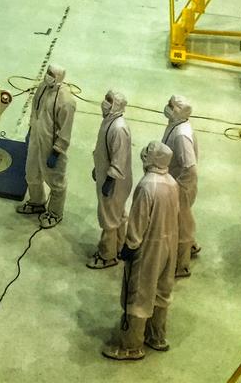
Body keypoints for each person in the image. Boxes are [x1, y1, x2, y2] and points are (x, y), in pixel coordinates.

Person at [102, 141, 180, 361]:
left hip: (149, 248)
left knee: (139, 293)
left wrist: (129, 246)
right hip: (168, 246)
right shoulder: (172, 183)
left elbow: (138, 221)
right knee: (161, 290)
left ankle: (131, 346)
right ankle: (156, 335)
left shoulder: (147, 185)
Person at [16, 63, 76, 228]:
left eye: (51, 74)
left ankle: (55, 213)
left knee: (56, 182)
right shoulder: (43, 87)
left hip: (51, 146)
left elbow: (65, 130)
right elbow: (35, 109)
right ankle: (37, 202)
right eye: (48, 72)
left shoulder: (66, 101)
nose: (48, 75)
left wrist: (57, 151)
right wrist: (31, 129)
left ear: (59, 78)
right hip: (36, 139)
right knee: (31, 173)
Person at [88, 89, 132, 269]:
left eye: (108, 100)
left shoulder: (119, 128)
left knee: (108, 218)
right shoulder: (110, 121)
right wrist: (97, 168)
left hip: (114, 182)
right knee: (118, 215)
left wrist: (109, 180)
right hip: (107, 175)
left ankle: (107, 255)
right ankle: (120, 246)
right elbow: (105, 151)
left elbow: (119, 159)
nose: (104, 102)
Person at [162, 94, 199, 277]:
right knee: (182, 220)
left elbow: (190, 169)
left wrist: (177, 188)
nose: (167, 107)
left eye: (171, 105)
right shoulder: (177, 125)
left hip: (181, 187)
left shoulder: (181, 135)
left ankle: (181, 265)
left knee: (181, 224)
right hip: (177, 183)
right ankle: (190, 245)